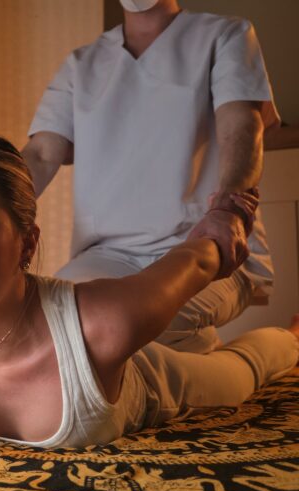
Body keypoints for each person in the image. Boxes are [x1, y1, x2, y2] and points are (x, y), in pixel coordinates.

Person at [0, 135, 298, 461]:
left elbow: (197, 263)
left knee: (240, 372)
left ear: (27, 245)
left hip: (142, 373)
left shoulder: (104, 324)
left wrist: (229, 216)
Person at [21, 0, 280, 354]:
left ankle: (277, 348)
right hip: (106, 254)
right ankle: (208, 351)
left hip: (204, 244)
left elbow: (243, 127)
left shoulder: (224, 35)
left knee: (127, 322)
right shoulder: (81, 65)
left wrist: (227, 210)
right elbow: (40, 153)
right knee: (44, 327)